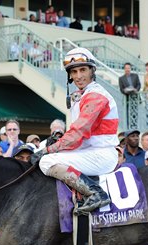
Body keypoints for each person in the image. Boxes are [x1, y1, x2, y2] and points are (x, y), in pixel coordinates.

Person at [31, 47, 118, 214]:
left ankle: (95, 193)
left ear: (92, 71)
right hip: (89, 152)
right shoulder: (82, 94)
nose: (78, 76)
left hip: (101, 155)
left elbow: (78, 133)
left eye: (83, 70)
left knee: (46, 161)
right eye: (74, 71)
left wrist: (48, 150)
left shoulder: (96, 96)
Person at [119, 63, 141, 129]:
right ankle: (128, 127)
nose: (127, 69)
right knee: (127, 113)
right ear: (124, 69)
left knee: (134, 112)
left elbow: (139, 85)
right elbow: (121, 89)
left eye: (128, 68)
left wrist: (135, 89)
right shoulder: (121, 78)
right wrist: (125, 91)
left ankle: (134, 126)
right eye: (126, 68)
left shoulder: (135, 76)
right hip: (127, 98)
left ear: (130, 69)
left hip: (135, 97)